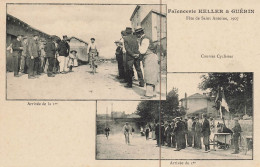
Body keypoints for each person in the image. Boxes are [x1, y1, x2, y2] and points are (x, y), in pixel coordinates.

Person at [135, 27, 159, 98]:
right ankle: (154, 93)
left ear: (140, 33)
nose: (136, 36)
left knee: (149, 76)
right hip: (152, 58)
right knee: (153, 76)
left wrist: (138, 47)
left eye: (137, 34)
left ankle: (149, 94)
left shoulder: (144, 39)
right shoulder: (145, 38)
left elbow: (142, 51)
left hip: (149, 58)